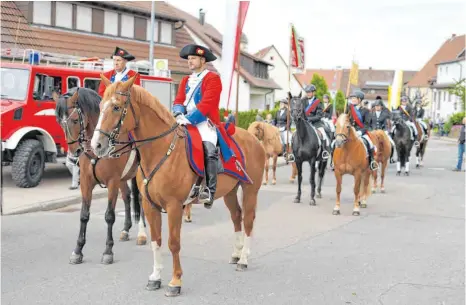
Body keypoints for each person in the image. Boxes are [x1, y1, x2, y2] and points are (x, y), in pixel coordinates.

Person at [172, 44, 222, 209]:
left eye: (193, 58)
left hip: (203, 122)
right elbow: (178, 100)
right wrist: (179, 114)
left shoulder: (212, 78)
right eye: (188, 59)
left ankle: (209, 190)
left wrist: (190, 119)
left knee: (209, 148)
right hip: (184, 119)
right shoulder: (186, 80)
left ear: (202, 60)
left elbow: (207, 103)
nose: (189, 61)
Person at [347, 90, 378, 170]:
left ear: (359, 100)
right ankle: (334, 161)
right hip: (349, 131)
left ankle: (372, 162)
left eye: (354, 98)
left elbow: (367, 125)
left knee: (370, 143)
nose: (352, 100)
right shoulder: (349, 109)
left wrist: (360, 132)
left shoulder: (366, 111)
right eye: (352, 98)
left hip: (361, 132)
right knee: (335, 142)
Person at [303, 84, 331, 159]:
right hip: (305, 124)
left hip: (316, 123)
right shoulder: (303, 101)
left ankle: (324, 151)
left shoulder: (318, 102)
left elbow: (319, 116)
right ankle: (294, 152)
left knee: (323, 134)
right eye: (307, 92)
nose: (308, 93)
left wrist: (309, 119)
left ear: (313, 93)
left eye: (309, 92)